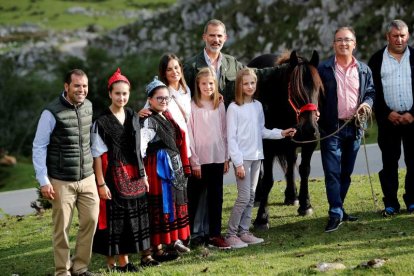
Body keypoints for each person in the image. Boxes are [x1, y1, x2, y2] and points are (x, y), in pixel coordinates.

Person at [32, 69, 99, 276]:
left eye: (85, 86)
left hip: (87, 177)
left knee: (91, 220)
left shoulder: (88, 106)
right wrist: (44, 180)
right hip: (61, 180)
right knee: (61, 229)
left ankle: (80, 267)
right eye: (77, 85)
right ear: (66, 87)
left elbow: (91, 140)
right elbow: (39, 146)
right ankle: (62, 271)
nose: (82, 90)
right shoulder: (50, 113)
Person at [90, 68, 157, 271]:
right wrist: (101, 183)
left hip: (134, 174)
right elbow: (97, 156)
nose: (121, 97)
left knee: (131, 219)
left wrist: (143, 175)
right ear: (110, 93)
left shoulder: (131, 115)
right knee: (114, 221)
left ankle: (124, 262)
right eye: (117, 93)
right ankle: (112, 264)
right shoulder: (100, 122)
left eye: (125, 93)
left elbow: (137, 148)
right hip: (113, 174)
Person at [225, 68, 296, 248]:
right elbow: (231, 138)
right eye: (246, 83)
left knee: (251, 197)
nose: (250, 86)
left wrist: (281, 133)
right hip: (243, 160)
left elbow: (262, 131)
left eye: (252, 83)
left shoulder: (257, 105)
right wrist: (238, 163)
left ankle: (245, 231)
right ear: (239, 85)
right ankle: (231, 234)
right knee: (243, 197)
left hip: (257, 157)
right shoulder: (233, 108)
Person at [318, 27, 375, 233]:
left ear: (354, 44)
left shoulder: (364, 70)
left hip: (355, 127)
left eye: (347, 40)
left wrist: (367, 104)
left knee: (346, 173)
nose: (343, 43)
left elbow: (370, 91)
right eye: (339, 40)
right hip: (331, 128)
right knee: (332, 173)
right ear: (334, 44)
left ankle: (339, 208)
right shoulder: (323, 69)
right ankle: (335, 213)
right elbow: (314, 96)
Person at [139, 54, 192, 253]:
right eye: (158, 98)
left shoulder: (167, 114)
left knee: (174, 201)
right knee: (162, 204)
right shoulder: (148, 118)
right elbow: (141, 147)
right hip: (158, 168)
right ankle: (160, 246)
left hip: (173, 163)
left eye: (165, 98)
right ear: (150, 100)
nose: (163, 100)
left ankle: (174, 240)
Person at [368, 19, 414, 216]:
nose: (399, 39)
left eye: (403, 35)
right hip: (388, 121)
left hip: (413, 120)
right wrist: (387, 113)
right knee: (389, 163)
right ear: (387, 36)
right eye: (395, 36)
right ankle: (391, 203)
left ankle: (412, 201)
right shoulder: (377, 59)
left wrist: (413, 114)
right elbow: (373, 91)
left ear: (408, 36)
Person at [183, 19, 283, 107]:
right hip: (205, 124)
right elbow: (183, 99)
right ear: (204, 37)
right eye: (212, 35)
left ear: (225, 38)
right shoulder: (190, 66)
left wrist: (283, 69)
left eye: (219, 36)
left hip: (229, 122)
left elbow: (255, 74)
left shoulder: (231, 62)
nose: (216, 40)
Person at [186, 67, 230, 249]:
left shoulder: (219, 104)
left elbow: (225, 132)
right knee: (194, 197)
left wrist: (226, 157)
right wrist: (194, 161)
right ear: (198, 85)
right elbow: (189, 134)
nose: (208, 87)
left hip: (218, 157)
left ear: (216, 84)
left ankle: (214, 234)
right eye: (204, 83)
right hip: (199, 161)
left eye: (211, 83)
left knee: (216, 197)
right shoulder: (193, 106)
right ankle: (188, 235)